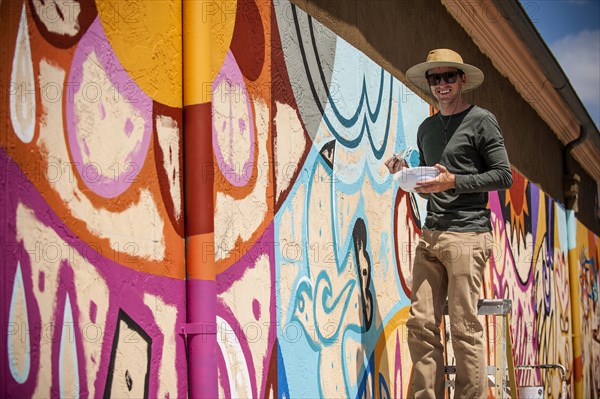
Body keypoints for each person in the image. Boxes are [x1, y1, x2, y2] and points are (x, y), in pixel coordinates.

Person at [385, 49, 512, 398]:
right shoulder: (426, 128)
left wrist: (453, 181)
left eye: (448, 77)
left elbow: (503, 176)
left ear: (462, 81)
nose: (441, 85)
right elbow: (430, 187)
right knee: (421, 324)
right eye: (435, 79)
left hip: (468, 234)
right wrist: (406, 176)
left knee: (464, 327)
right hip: (432, 234)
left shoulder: (481, 120)